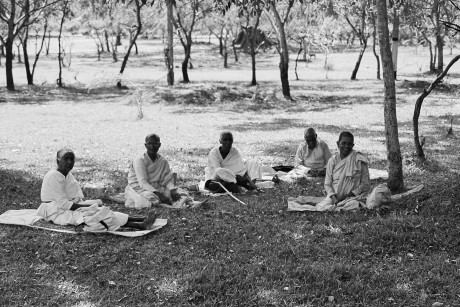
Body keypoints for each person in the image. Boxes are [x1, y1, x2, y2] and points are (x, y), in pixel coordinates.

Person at [37, 148, 156, 232]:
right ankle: (139, 225)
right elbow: (62, 203)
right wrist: (86, 206)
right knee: (95, 217)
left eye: (71, 159)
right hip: (56, 212)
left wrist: (87, 205)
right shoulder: (53, 175)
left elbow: (71, 199)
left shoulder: (67, 175)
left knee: (99, 210)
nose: (69, 162)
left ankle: (141, 219)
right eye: (65, 159)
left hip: (66, 207)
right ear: (58, 161)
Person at [125, 133, 203, 209]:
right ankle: (171, 205)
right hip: (138, 188)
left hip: (157, 187)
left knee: (177, 193)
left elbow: (167, 180)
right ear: (145, 145)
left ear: (159, 145)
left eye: (155, 144)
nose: (152, 146)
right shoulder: (140, 160)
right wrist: (159, 195)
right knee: (149, 198)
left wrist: (172, 190)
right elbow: (143, 183)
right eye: (149, 143)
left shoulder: (162, 161)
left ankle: (189, 203)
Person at [324, 131, 370, 206]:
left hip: (353, 197)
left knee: (352, 204)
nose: (346, 146)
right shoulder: (332, 161)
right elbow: (327, 184)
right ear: (338, 144)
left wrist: (348, 196)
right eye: (344, 143)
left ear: (353, 145)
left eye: (349, 144)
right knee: (324, 206)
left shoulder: (359, 160)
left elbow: (365, 185)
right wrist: (333, 197)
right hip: (334, 197)